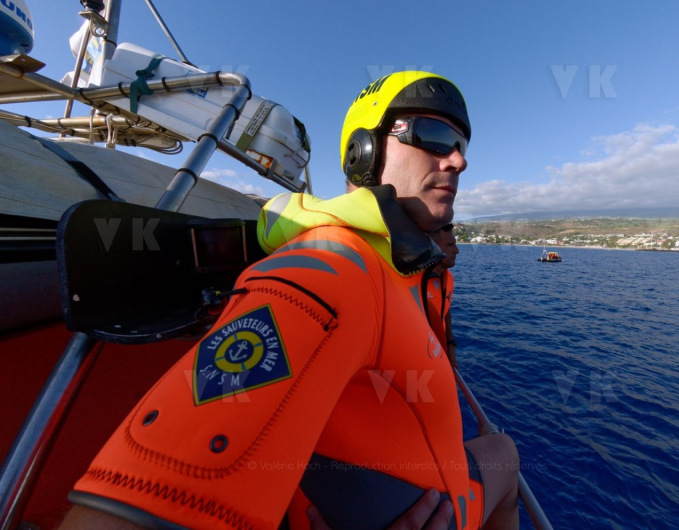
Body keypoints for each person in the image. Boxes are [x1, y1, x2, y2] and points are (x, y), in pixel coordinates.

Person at [59, 71, 519, 529]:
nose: (458, 161)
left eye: (462, 145)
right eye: (436, 136)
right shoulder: (330, 270)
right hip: (445, 508)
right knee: (506, 456)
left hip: (434, 490)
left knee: (503, 453)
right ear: (365, 150)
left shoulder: (407, 269)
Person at [428, 223, 459, 368]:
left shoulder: (449, 278)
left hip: (439, 354)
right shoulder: (411, 281)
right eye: (450, 245)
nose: (457, 251)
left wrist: (450, 346)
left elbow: (445, 310)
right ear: (433, 247)